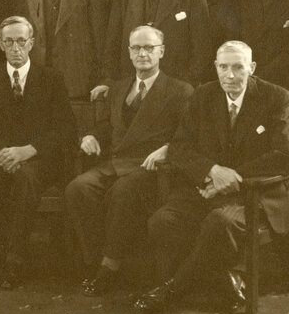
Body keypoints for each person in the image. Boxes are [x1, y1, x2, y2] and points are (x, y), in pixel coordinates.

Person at [134, 41, 289, 314]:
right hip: (207, 188)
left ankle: (173, 288)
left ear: (252, 68)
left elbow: (283, 157)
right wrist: (212, 172)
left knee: (220, 222)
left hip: (255, 195)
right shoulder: (203, 96)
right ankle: (226, 280)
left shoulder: (277, 98)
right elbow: (180, 146)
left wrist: (233, 177)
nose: (230, 75)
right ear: (216, 67)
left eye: (238, 67)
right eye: (223, 67)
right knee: (162, 221)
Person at [65, 25, 193, 296]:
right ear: (129, 52)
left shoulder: (180, 90)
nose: (142, 54)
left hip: (150, 167)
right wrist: (90, 135)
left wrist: (167, 149)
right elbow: (106, 126)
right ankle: (95, 260)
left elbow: (188, 135)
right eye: (136, 48)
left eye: (149, 48)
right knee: (78, 188)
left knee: (123, 192)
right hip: (115, 163)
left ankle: (110, 267)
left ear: (162, 51)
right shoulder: (119, 87)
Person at [0, 16, 76, 289]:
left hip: (39, 159)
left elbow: (65, 129)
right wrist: (4, 152)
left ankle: (15, 259)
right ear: (0, 44)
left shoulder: (51, 79)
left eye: (21, 41)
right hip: (1, 157)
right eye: (9, 42)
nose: (15, 48)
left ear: (31, 43)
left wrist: (28, 150)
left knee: (26, 179)